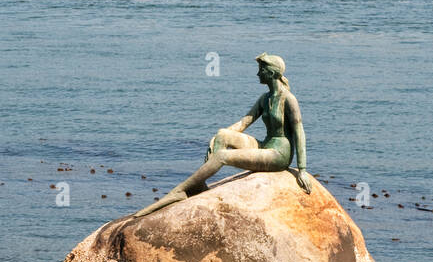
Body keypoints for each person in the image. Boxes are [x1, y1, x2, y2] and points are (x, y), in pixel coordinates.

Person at [133, 53, 311, 219]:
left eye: (261, 70)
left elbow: (299, 132)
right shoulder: (265, 99)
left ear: (271, 73)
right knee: (222, 134)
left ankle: (180, 191)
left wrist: (301, 169)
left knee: (223, 156)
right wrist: (218, 138)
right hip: (265, 145)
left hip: (279, 155)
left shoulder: (288, 99)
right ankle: (200, 185)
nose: (257, 74)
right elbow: (243, 123)